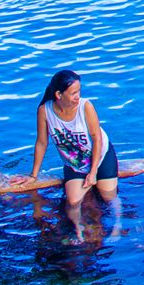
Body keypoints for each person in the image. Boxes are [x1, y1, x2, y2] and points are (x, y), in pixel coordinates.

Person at [9, 70, 120, 207]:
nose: (78, 96)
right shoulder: (45, 111)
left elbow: (97, 139)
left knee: (109, 197)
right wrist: (33, 176)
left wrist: (93, 172)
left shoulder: (86, 106)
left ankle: (118, 221)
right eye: (73, 93)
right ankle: (81, 221)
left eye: (79, 91)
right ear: (58, 94)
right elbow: (41, 143)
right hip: (76, 163)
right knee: (73, 202)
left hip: (101, 156)